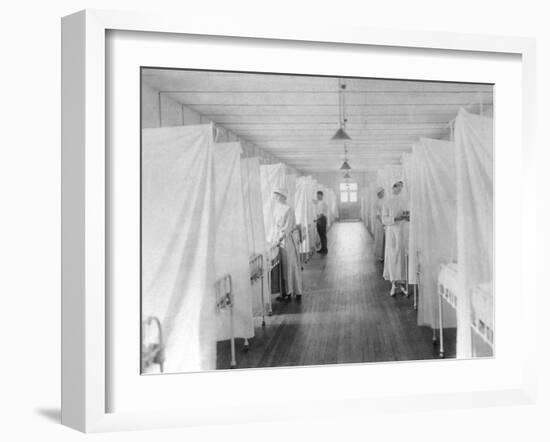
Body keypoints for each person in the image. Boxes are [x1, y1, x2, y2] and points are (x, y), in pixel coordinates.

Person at [270, 188, 303, 300]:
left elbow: (288, 227)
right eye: (275, 195)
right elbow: (275, 226)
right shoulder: (276, 209)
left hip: (287, 239)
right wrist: (274, 238)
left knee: (289, 265)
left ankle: (290, 291)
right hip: (279, 239)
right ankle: (283, 292)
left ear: (282, 196)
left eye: (277, 195)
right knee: (282, 267)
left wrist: (280, 238)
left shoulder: (289, 209)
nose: (275, 197)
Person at [382, 180, 410, 296]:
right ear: (392, 187)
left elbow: (409, 214)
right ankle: (393, 284)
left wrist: (408, 217)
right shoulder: (387, 202)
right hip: (392, 232)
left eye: (401, 187)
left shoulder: (405, 200)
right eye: (397, 186)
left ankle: (403, 283)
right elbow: (384, 219)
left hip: (403, 232)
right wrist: (396, 219)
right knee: (393, 256)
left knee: (402, 257)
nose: (399, 189)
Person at [373, 187, 386, 262]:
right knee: (380, 239)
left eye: (383, 192)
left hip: (383, 222)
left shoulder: (384, 200)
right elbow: (377, 215)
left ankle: (383, 254)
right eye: (382, 192)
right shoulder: (377, 202)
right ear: (379, 194)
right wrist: (382, 222)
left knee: (383, 239)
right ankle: (380, 255)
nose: (383, 194)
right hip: (380, 222)